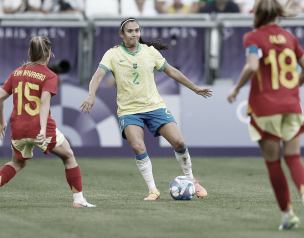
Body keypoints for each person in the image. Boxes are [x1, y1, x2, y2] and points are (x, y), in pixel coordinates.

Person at [80, 17, 212, 201]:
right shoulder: (112, 54)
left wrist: (195, 88)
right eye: (130, 31)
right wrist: (91, 94)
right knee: (137, 146)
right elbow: (98, 76)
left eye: (137, 30)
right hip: (129, 110)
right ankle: (153, 190)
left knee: (179, 143)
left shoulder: (150, 52)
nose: (134, 34)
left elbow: (172, 71)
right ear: (122, 34)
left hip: (155, 106)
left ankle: (191, 180)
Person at [227, 0, 304, 231]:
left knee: (273, 162)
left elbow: (252, 65)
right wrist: (288, 89)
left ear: (257, 12)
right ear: (278, 11)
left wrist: (236, 88)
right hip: (291, 105)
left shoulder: (253, 37)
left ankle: (288, 214)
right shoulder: (289, 37)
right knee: (294, 158)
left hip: (264, 108)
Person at [0, 36, 95, 208]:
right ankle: (79, 201)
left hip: (18, 128)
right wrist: (42, 129)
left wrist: (2, 122)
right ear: (48, 53)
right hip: (40, 128)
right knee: (68, 156)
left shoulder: (17, 73)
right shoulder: (50, 75)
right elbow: (44, 101)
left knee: (17, 162)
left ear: (30, 52)